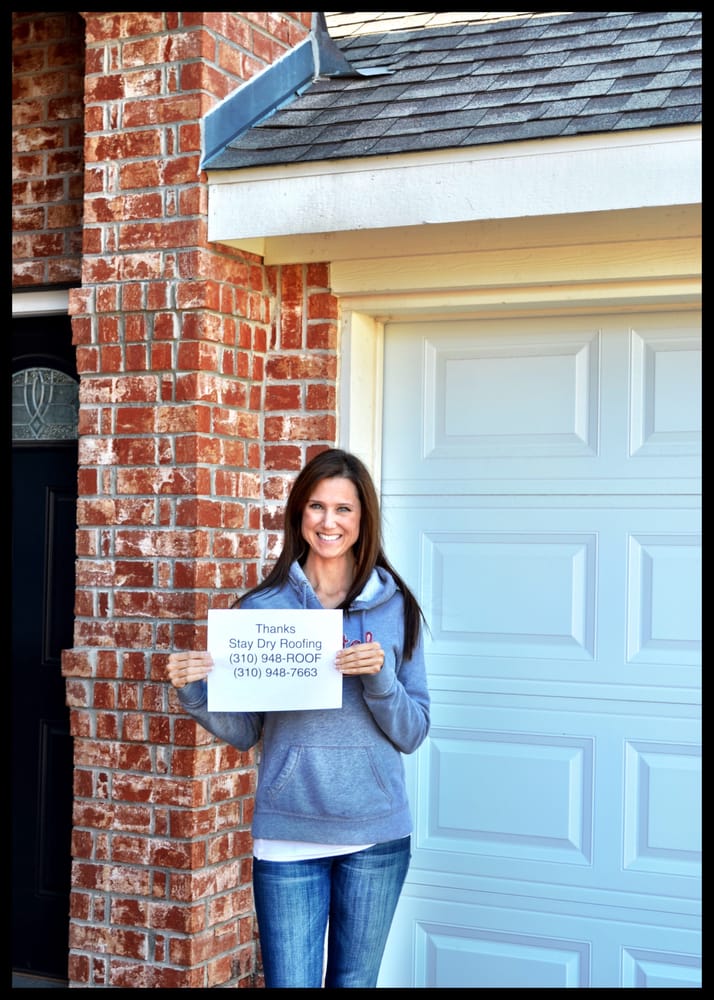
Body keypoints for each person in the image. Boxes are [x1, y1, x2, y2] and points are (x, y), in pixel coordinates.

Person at [167, 448, 430, 989]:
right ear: (298, 514)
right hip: (288, 832)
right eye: (316, 506)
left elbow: (413, 731)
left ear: (363, 520)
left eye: (343, 509)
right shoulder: (261, 610)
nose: (329, 522)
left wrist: (379, 678)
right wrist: (196, 693)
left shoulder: (395, 606)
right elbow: (246, 732)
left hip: (374, 831)